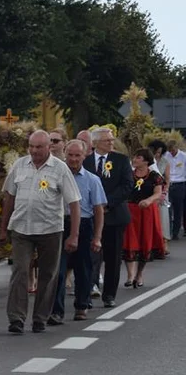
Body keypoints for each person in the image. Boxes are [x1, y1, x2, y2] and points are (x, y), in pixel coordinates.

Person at [0, 131, 81, 334]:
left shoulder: (60, 168)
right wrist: (3, 228)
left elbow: (74, 202)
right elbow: (9, 197)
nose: (34, 151)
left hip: (50, 229)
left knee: (48, 274)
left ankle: (40, 317)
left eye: (39, 147)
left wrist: (74, 235)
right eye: (31, 147)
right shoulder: (19, 165)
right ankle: (16, 318)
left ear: (48, 147)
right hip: (21, 228)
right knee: (20, 271)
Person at [52, 140, 106, 322]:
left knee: (83, 269)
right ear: (65, 154)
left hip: (84, 225)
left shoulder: (92, 180)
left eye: (77, 155)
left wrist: (97, 237)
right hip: (59, 224)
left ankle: (82, 305)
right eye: (70, 155)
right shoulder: (55, 176)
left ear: (85, 156)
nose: (73, 159)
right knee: (57, 271)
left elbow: (98, 210)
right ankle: (56, 311)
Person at [83, 128, 132, 308]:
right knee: (88, 256)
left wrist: (105, 203)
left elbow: (127, 185)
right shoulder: (86, 161)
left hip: (114, 216)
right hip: (89, 216)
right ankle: (87, 290)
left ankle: (109, 294)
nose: (111, 143)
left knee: (112, 257)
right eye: (106, 141)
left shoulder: (121, 160)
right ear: (95, 143)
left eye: (112, 140)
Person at [123, 148, 166, 287]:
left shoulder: (154, 176)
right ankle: (130, 276)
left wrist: (148, 200)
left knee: (144, 242)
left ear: (146, 161)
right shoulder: (129, 174)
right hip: (130, 210)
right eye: (134, 157)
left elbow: (158, 193)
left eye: (138, 158)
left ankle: (139, 274)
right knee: (129, 241)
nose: (134, 159)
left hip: (146, 211)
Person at [164, 140, 186, 240]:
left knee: (178, 210)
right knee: (167, 209)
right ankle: (168, 231)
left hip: (179, 185)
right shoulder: (166, 156)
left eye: (173, 150)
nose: (171, 152)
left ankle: (175, 232)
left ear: (177, 147)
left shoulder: (184, 156)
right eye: (170, 151)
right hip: (168, 184)